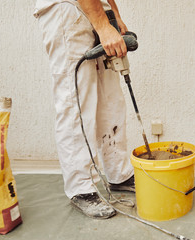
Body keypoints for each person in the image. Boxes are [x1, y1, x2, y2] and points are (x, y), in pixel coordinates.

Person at [33, 0, 135, 219]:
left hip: (94, 7)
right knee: (75, 101)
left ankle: (119, 174)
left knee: (110, 100)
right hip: (67, 9)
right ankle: (80, 188)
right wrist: (102, 25)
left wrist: (112, 14)